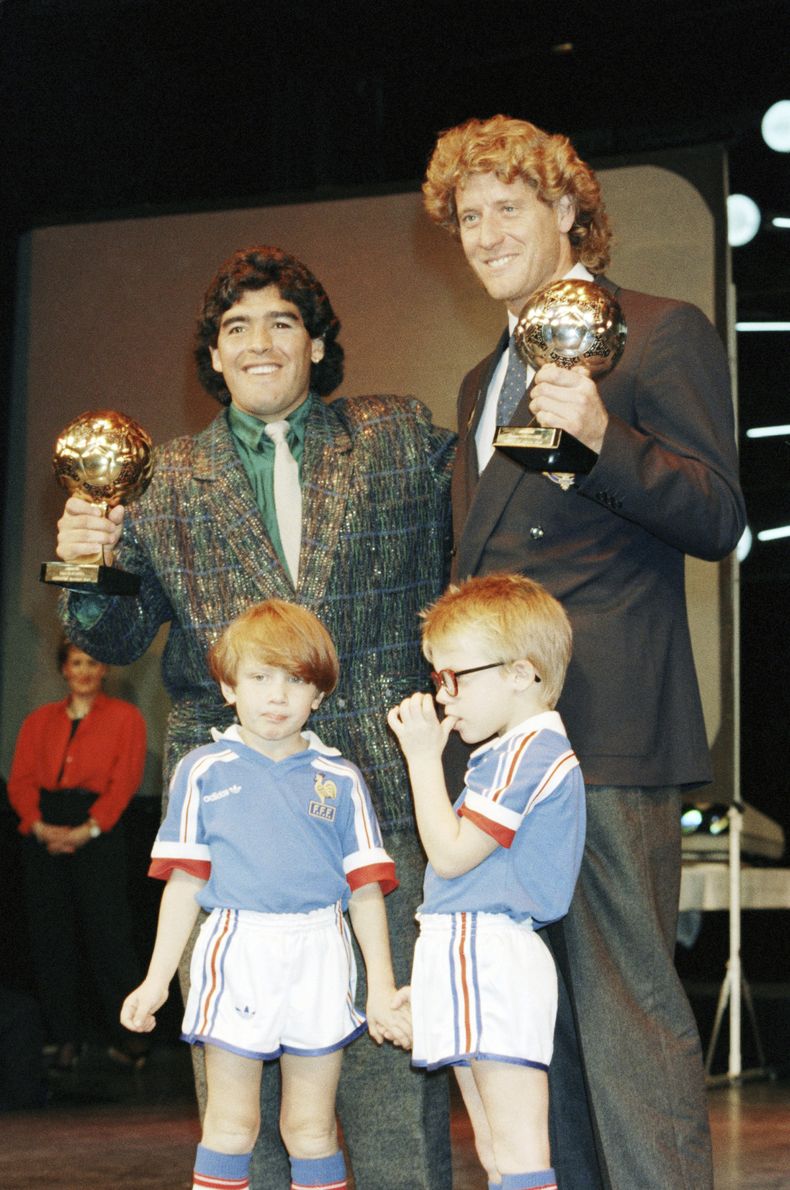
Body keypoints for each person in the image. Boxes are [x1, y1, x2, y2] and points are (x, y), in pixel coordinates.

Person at [54, 245, 454, 1188]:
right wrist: (84, 561)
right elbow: (112, 637)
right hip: (231, 823)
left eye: (282, 322)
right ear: (214, 354)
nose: (259, 343)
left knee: (392, 1084)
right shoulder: (160, 477)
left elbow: (482, 533)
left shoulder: (396, 433)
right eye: (237, 327)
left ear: (316, 343)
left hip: (380, 798)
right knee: (242, 1115)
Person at [422, 115, 746, 1190]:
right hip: (498, 748)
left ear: (566, 207)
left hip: (605, 732)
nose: (484, 233)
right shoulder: (481, 380)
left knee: (628, 1016)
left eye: (507, 207)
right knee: (535, 1025)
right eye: (468, 216)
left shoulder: (657, 332)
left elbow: (717, 516)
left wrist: (606, 440)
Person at [121, 599, 410, 1190]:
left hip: (320, 951)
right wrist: (155, 981)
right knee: (231, 1126)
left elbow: (364, 892)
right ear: (229, 687)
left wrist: (381, 987)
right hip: (238, 948)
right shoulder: (201, 770)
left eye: (295, 680)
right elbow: (184, 885)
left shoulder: (343, 779)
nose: (277, 696)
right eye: (259, 677)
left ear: (318, 694)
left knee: (311, 1129)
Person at [388, 573, 585, 1190]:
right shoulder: (509, 751)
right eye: (437, 678)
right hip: (466, 946)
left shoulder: (528, 751)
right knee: (498, 1152)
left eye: (456, 677)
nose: (443, 696)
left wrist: (423, 758)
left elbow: (450, 857)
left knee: (519, 1151)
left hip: (492, 952)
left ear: (521, 673)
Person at [7, 640, 147, 1070]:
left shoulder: (126, 718)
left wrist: (87, 830)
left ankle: (130, 1039)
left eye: (92, 662)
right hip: (44, 830)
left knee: (109, 936)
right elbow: (21, 780)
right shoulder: (38, 720)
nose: (84, 670)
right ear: (64, 669)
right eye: (76, 662)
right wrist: (38, 826)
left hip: (99, 832)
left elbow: (125, 781)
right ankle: (65, 1038)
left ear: (104, 669)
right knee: (52, 940)